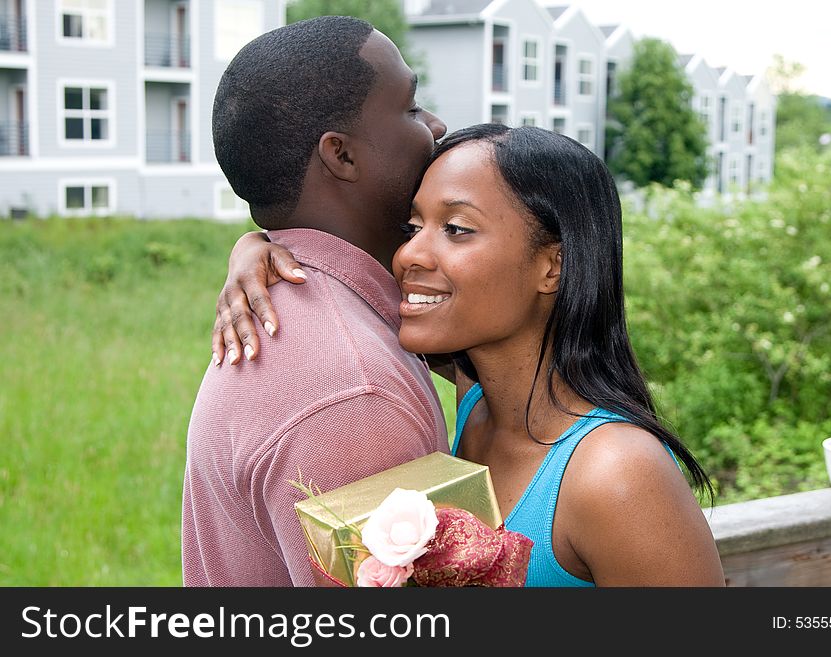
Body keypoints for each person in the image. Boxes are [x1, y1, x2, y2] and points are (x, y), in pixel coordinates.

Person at [214, 124, 726, 586]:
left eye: (457, 229)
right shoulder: (477, 396)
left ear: (553, 266)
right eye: (414, 228)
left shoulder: (616, 473)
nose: (409, 254)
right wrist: (258, 244)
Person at [181, 16, 450, 587]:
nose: (437, 125)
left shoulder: (322, 318)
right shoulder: (354, 395)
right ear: (341, 156)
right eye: (410, 107)